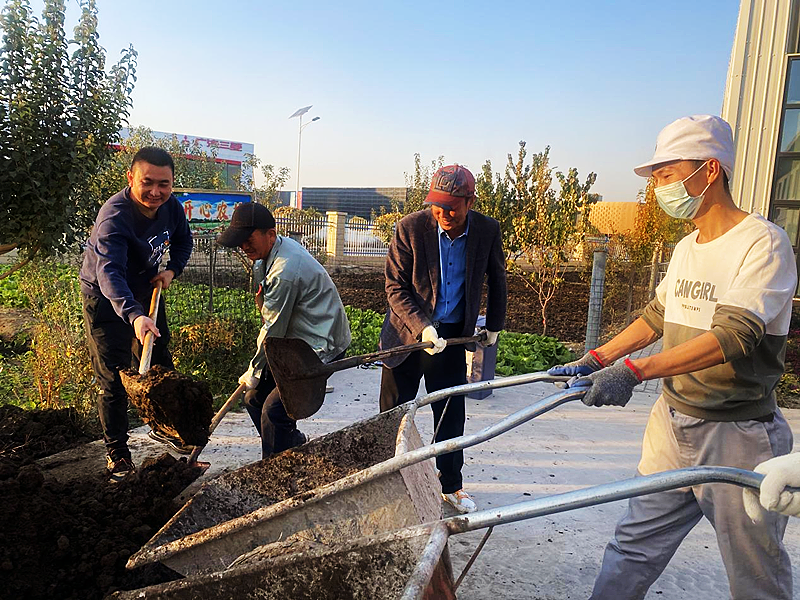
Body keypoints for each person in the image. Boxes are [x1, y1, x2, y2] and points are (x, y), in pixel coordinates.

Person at [549, 115, 797, 599]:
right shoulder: (686, 248)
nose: (659, 187)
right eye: (657, 177)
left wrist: (636, 371)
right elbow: (658, 316)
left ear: (709, 171)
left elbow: (734, 337)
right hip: (671, 426)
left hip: (736, 435)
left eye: (667, 174)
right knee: (632, 549)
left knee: (755, 572)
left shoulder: (762, 243)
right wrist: (597, 358)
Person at [379, 164, 507, 514]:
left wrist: (494, 325)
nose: (444, 214)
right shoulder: (410, 228)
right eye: (438, 206)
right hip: (407, 334)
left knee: (450, 414)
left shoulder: (486, 230)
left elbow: (498, 280)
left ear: (470, 202)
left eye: (452, 206)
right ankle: (387, 481)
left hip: (450, 338)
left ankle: (451, 486)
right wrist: (422, 326)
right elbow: (395, 287)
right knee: (394, 415)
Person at [80, 147, 193, 482]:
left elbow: (184, 242)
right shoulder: (114, 217)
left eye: (164, 184)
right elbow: (109, 273)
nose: (156, 192)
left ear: (172, 184)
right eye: (148, 182)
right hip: (105, 298)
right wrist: (134, 316)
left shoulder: (170, 208)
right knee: (115, 379)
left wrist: (172, 271)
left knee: (160, 367)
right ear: (131, 178)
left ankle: (165, 428)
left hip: (145, 293)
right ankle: (117, 454)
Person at [217, 202, 351, 459]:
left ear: (270, 234)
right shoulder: (265, 257)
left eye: (248, 239)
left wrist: (254, 370)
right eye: (240, 241)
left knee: (273, 411)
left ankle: (274, 468)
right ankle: (291, 444)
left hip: (321, 346)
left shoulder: (285, 270)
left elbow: (273, 329)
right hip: (295, 340)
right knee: (253, 399)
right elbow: (270, 314)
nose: (244, 247)